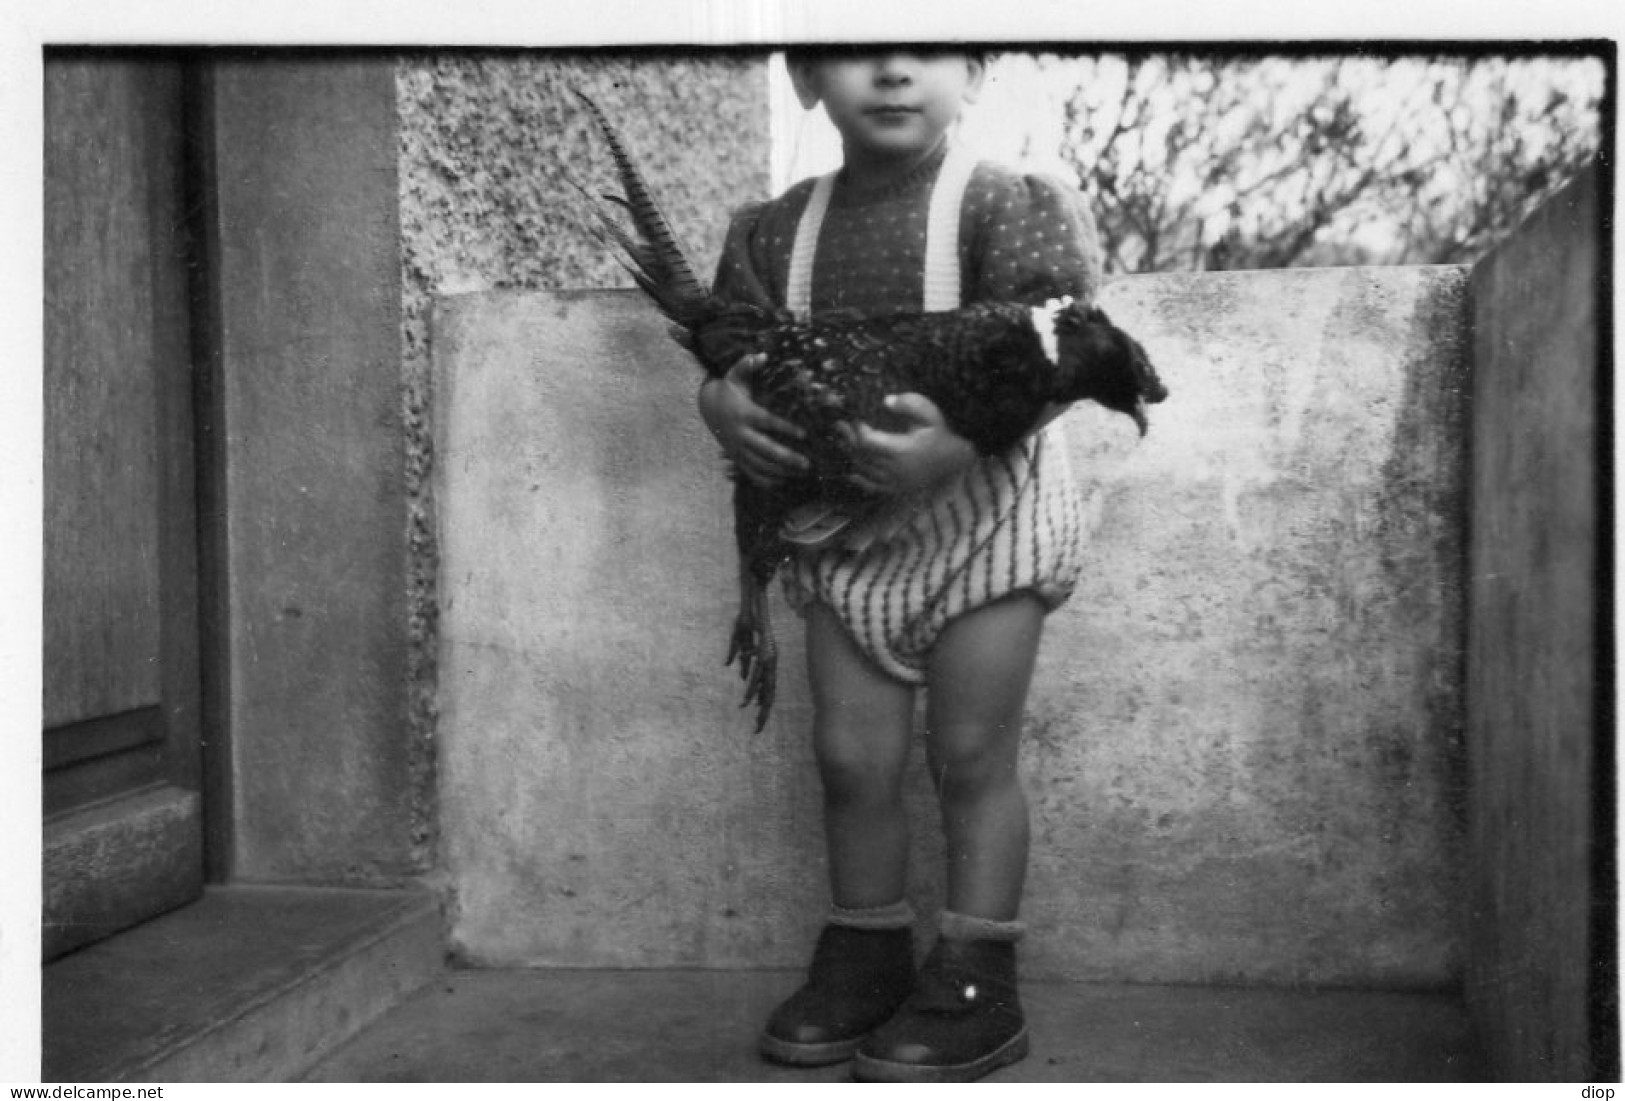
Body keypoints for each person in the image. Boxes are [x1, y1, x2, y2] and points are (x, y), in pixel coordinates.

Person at [697, 46, 1103, 1083]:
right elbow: (733, 352)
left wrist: (960, 441)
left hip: (986, 521)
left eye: (925, 45)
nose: (889, 70)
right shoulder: (775, 230)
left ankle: (975, 973)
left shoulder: (1004, 204)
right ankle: (865, 950)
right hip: (846, 532)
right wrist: (720, 403)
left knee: (969, 756)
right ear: (802, 78)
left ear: (972, 72)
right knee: (851, 758)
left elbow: (1061, 351)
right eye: (854, 47)